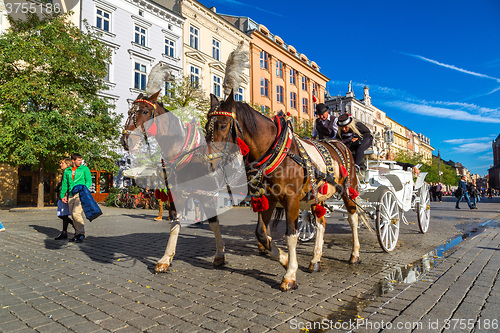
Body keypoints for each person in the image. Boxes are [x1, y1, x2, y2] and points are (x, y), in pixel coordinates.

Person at [61, 153, 92, 242]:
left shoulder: (84, 169)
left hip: (80, 194)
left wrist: (84, 189)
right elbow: (64, 184)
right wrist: (63, 195)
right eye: (78, 160)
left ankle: (81, 233)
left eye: (81, 160)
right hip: (71, 195)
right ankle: (77, 234)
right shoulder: (67, 171)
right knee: (73, 215)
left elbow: (88, 180)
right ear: (73, 161)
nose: (80, 162)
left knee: (76, 214)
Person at [54, 158, 75, 240]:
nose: (60, 165)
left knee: (63, 214)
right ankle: (64, 232)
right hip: (62, 195)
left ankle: (70, 227)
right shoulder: (65, 173)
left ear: (68, 164)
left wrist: (65, 195)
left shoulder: (69, 173)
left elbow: (68, 184)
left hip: (65, 196)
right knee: (62, 214)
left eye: (62, 163)